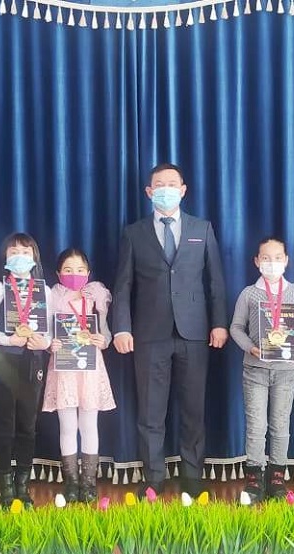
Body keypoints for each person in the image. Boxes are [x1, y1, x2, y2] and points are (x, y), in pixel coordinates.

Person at [112, 163, 228, 498]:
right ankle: (153, 480)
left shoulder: (201, 228)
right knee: (151, 413)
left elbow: (215, 282)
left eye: (171, 183)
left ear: (183, 190)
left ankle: (192, 477)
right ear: (149, 192)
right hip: (149, 334)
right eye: (159, 184)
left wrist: (219, 323)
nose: (165, 189)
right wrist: (121, 328)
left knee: (193, 410)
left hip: (195, 333)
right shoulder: (134, 233)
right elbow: (123, 285)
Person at [229, 237, 294, 502]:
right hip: (255, 370)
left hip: (286, 371)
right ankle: (254, 478)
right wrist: (250, 347)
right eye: (266, 258)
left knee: (280, 425)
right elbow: (236, 328)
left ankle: (277, 477)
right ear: (257, 261)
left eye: (277, 257)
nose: (272, 263)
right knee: (256, 426)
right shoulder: (249, 293)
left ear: (286, 260)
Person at [0, 233, 53, 507]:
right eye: (13, 251)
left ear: (34, 256)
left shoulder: (44, 290)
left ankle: (23, 484)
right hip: (5, 361)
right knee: (4, 424)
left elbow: (51, 331)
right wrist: (8, 340)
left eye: (25, 251)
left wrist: (44, 342)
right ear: (5, 257)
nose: (20, 256)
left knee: (28, 425)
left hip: (33, 361)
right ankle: (5, 485)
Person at [43, 248, 116, 503]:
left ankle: (88, 483)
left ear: (88, 272)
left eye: (80, 269)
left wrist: (102, 340)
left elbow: (105, 334)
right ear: (58, 273)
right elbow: (46, 333)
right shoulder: (53, 297)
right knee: (67, 426)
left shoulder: (96, 296)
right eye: (68, 270)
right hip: (63, 368)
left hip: (90, 368)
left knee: (89, 425)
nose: (74, 274)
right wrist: (50, 344)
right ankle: (71, 483)